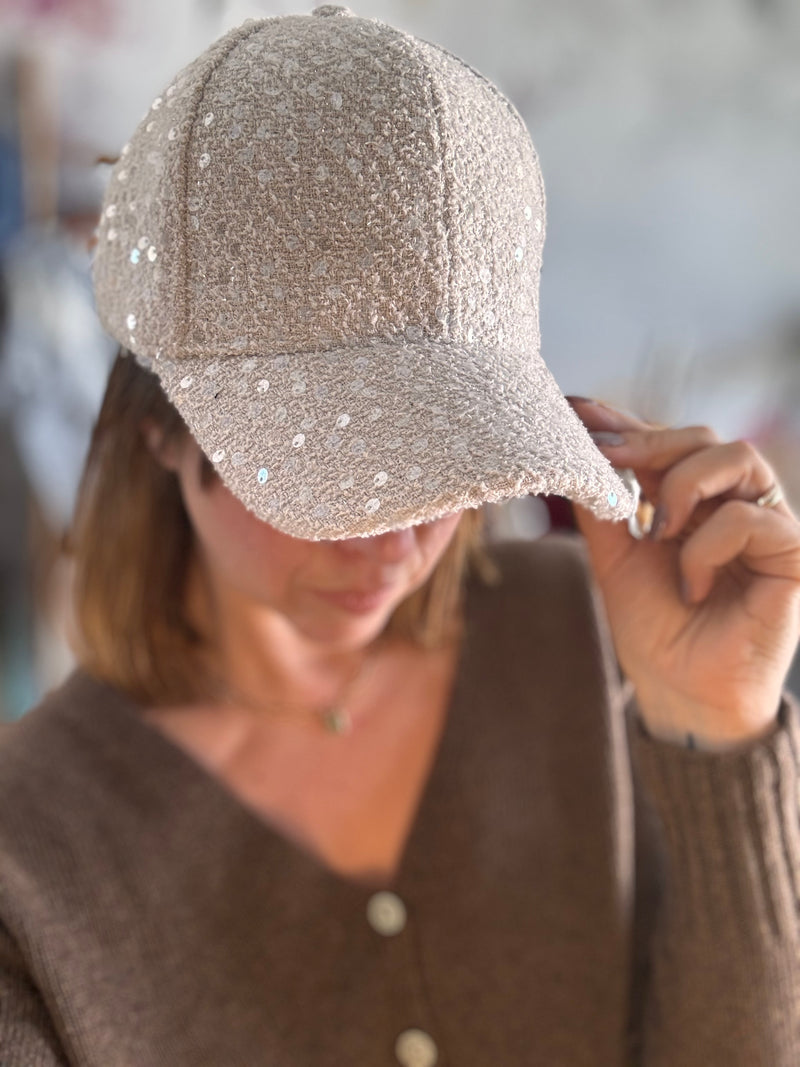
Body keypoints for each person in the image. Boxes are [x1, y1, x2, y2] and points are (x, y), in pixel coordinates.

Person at [2, 7, 800, 1065]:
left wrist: (716, 733)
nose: (397, 538)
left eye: (448, 458)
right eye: (329, 468)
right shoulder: (31, 856)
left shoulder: (595, 635)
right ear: (156, 424)